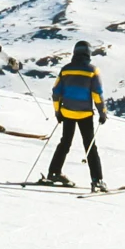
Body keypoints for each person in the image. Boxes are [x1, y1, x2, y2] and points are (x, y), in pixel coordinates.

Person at [42, 40, 108, 192]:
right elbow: (97, 94)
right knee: (90, 146)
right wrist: (102, 112)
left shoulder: (66, 70)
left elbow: (56, 92)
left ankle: (54, 173)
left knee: (65, 143)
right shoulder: (92, 70)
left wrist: (58, 112)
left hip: (67, 112)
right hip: (85, 114)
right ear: (88, 53)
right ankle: (97, 180)